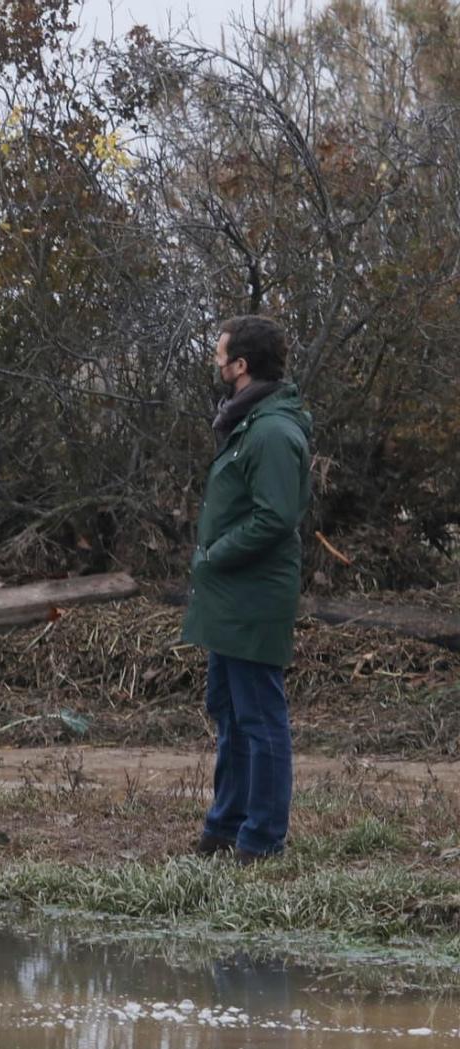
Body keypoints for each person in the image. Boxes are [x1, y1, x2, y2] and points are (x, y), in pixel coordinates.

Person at [182, 316, 313, 864]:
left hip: (253, 596)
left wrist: (213, 556)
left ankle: (261, 841)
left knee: (260, 718)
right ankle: (225, 827)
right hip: (228, 597)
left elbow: (275, 519)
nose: (215, 364)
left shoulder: (273, 432)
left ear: (241, 366)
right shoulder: (247, 422)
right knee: (230, 712)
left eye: (220, 357)